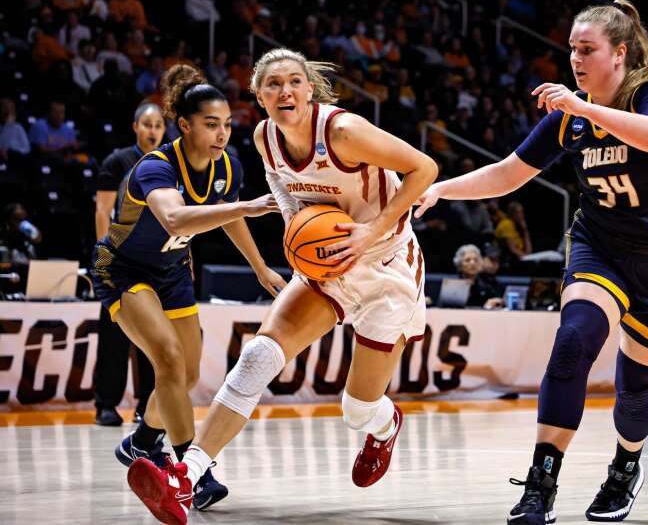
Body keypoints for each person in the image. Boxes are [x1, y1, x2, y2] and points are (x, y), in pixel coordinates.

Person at [417, 0, 648, 523]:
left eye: (587, 49)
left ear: (619, 54)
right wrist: (441, 190)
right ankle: (540, 486)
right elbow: (508, 173)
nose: (575, 59)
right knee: (573, 340)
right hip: (601, 247)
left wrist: (584, 107)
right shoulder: (568, 119)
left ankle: (625, 467)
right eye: (571, 49)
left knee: (635, 387)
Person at [126, 47, 437, 525]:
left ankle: (384, 424)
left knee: (357, 408)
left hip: (385, 266)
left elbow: (424, 168)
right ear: (258, 95)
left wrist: (373, 231)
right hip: (325, 268)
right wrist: (299, 251)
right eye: (273, 84)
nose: (285, 90)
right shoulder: (265, 137)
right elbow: (286, 196)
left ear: (310, 89)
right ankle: (184, 478)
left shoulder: (344, 131)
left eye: (294, 81)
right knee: (257, 358)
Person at [89, 64, 285, 512]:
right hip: (124, 269)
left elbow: (230, 215)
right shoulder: (155, 168)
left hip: (174, 270)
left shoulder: (226, 166)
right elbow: (175, 219)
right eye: (211, 124)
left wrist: (259, 268)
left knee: (187, 376)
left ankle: (141, 441)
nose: (221, 134)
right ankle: (192, 470)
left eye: (227, 125)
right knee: (169, 361)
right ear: (185, 125)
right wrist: (250, 205)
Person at [92, 103, 165, 426]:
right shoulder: (117, 161)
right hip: (120, 263)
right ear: (135, 126)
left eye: (158, 125)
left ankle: (144, 407)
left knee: (155, 338)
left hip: (156, 262)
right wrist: (106, 259)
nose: (153, 131)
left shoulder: (167, 164)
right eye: (147, 124)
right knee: (114, 338)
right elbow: (101, 212)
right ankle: (106, 404)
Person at [453, 243, 503, 309]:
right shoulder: (452, 285)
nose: (472, 263)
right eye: (467, 260)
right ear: (459, 265)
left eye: (476, 260)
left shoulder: (489, 285)